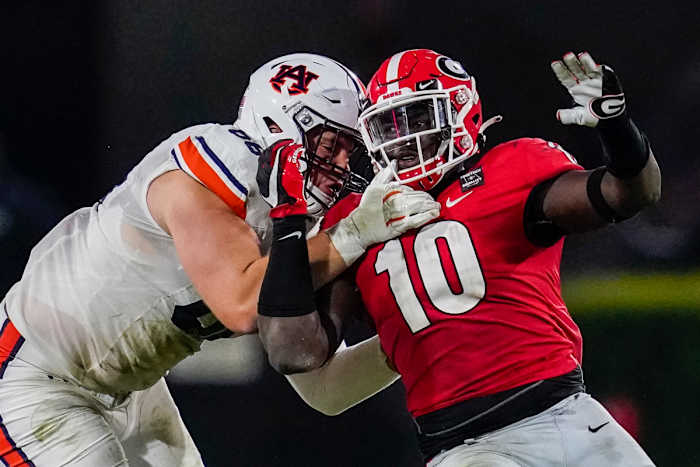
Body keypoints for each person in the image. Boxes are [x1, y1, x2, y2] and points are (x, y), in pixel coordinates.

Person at [0, 52, 440, 466]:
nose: (342, 165)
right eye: (331, 145)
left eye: (351, 149)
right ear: (283, 126)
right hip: (37, 376)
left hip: (128, 388)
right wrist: (354, 233)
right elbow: (244, 302)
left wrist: (414, 334)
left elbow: (327, 389)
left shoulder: (296, 226)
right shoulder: (219, 157)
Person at [258, 49, 660, 466]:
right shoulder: (358, 217)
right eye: (388, 125)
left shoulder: (511, 169)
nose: (401, 140)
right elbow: (295, 352)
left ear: (459, 111)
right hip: (467, 447)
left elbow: (631, 193)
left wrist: (618, 129)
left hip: (569, 416)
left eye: (416, 119)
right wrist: (289, 223)